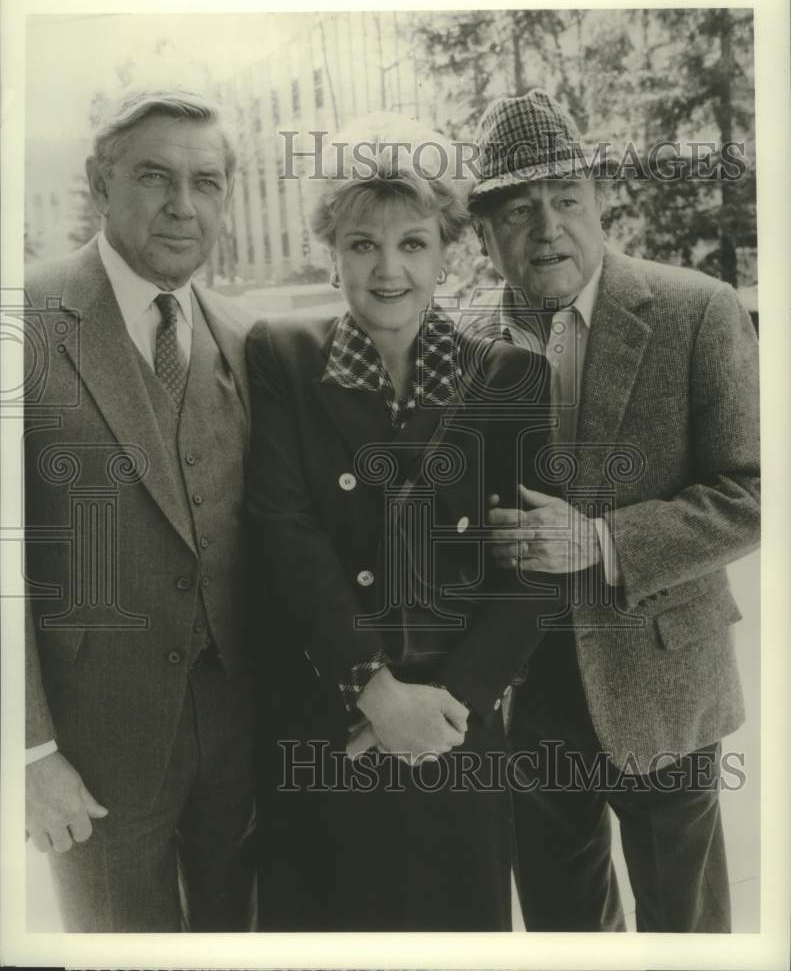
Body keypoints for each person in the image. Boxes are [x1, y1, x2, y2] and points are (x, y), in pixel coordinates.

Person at [245, 112, 561, 931]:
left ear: (446, 251)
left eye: (412, 244)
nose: (388, 270)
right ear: (332, 252)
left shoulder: (511, 375)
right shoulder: (280, 356)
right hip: (327, 720)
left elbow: (531, 570)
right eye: (362, 245)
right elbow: (284, 530)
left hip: (456, 728)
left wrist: (443, 707)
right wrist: (374, 692)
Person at [466, 88, 760, 932]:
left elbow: (752, 491)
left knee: (685, 924)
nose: (548, 227)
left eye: (566, 200)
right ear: (485, 236)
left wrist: (601, 540)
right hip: (526, 688)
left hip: (662, 673)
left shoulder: (696, 309)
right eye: (519, 211)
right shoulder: (460, 339)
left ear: (600, 203)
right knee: (564, 924)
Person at [24, 87, 255, 932]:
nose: (182, 206)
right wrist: (29, 752)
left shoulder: (241, 336)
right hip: (93, 756)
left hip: (240, 742)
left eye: (206, 182)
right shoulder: (25, 324)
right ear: (98, 181)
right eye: (155, 178)